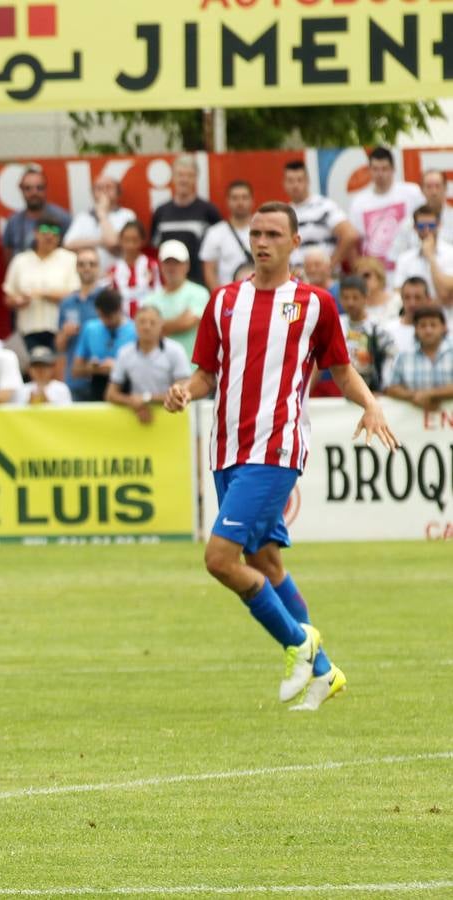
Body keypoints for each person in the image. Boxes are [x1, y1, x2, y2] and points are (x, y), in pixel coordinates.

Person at [164, 200, 399, 712]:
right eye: (256, 233)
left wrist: (371, 404)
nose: (262, 241)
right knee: (264, 560)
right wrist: (184, 389)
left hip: (276, 449)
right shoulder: (224, 302)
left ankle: (298, 642)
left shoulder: (315, 303)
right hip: (226, 449)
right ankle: (324, 674)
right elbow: (206, 373)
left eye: (273, 233)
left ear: (295, 242)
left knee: (219, 560)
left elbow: (341, 369)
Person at [0, 214, 78, 352]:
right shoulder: (20, 260)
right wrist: (18, 301)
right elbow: (8, 296)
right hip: (27, 330)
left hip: (59, 332)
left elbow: (74, 295)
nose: (49, 235)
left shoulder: (70, 259)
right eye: (44, 230)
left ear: (59, 236)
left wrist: (42, 293)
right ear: (35, 233)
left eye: (54, 231)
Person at [348, 146, 426, 283]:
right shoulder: (359, 203)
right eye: (375, 169)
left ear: (393, 169)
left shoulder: (412, 193)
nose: (380, 174)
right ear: (369, 171)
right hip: (376, 276)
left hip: (407, 269)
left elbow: (426, 223)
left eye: (384, 169)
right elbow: (355, 243)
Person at [106, 306, 192, 424]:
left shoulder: (176, 351)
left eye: (152, 322)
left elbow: (183, 391)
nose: (147, 327)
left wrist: (147, 399)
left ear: (161, 325)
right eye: (142, 322)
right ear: (134, 325)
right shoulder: (124, 353)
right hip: (137, 419)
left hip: (173, 418)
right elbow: (111, 394)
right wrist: (133, 403)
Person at [149, 155, 222, 286]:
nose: (184, 180)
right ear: (173, 177)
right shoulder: (161, 212)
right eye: (180, 175)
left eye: (189, 175)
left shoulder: (209, 211)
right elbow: (154, 249)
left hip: (199, 285)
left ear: (196, 179)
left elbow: (218, 251)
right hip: (167, 286)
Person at [284, 159, 360, 269]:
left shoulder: (324, 206)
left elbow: (350, 235)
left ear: (308, 181)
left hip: (321, 281)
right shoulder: (285, 212)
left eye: (299, 180)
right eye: (290, 181)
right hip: (296, 280)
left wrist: (330, 265)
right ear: (284, 183)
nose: (295, 185)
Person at [143, 241, 209, 357]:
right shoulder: (149, 299)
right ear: (161, 266)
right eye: (167, 262)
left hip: (191, 367)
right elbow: (146, 332)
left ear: (187, 265)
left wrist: (158, 325)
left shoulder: (200, 293)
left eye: (177, 263)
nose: (171, 267)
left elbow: (187, 322)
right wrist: (177, 321)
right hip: (160, 367)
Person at [73, 288, 137, 401]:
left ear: (120, 310)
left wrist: (117, 367)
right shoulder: (90, 328)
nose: (106, 321)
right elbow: (76, 370)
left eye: (110, 317)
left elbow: (145, 368)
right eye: (102, 316)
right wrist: (92, 368)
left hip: (128, 391)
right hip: (97, 389)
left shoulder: (135, 330)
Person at [384, 307, 453, 409]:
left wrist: (431, 394)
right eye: (423, 325)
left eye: (433, 325)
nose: (428, 330)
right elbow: (391, 388)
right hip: (412, 422)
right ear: (415, 329)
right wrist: (414, 395)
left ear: (443, 327)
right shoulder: (404, 356)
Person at [64, 173, 136, 269]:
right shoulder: (83, 217)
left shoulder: (127, 215)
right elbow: (68, 244)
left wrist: (102, 213)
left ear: (118, 192)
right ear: (93, 193)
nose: (104, 192)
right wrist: (100, 241)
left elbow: (113, 243)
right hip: (89, 277)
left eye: (108, 187)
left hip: (119, 276)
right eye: (99, 188)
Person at [58, 249, 104, 400]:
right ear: (76, 268)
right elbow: (59, 346)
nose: (87, 268)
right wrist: (65, 333)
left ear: (99, 268)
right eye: (82, 264)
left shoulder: (107, 299)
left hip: (102, 377)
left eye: (92, 264)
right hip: (74, 379)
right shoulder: (67, 303)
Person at [1, 166, 73, 256]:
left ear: (46, 188)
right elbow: (8, 254)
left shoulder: (62, 218)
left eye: (39, 188)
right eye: (28, 188)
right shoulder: (13, 221)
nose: (34, 192)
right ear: (21, 189)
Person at [337, 275, 391, 393]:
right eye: (346, 298)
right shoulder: (337, 324)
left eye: (355, 297)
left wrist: (385, 386)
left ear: (365, 298)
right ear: (340, 299)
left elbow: (390, 356)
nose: (350, 303)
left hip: (372, 389)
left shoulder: (377, 327)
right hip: (341, 389)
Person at [200, 181, 256, 290]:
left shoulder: (264, 230)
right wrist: (220, 298)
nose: (240, 202)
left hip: (259, 295)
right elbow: (209, 271)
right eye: (235, 198)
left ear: (252, 200)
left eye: (244, 197)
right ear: (228, 201)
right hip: (228, 297)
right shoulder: (214, 232)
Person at [392, 205, 453, 301]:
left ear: (439, 225)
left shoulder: (451, 253)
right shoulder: (405, 258)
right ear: (415, 228)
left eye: (431, 225)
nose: (427, 230)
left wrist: (430, 257)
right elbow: (398, 294)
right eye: (421, 226)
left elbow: (445, 294)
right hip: (415, 314)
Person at [107, 220, 159, 313]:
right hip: (122, 323)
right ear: (120, 240)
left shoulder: (152, 265)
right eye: (126, 240)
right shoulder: (113, 270)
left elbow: (159, 293)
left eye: (135, 240)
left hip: (148, 321)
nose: (130, 245)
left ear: (143, 240)